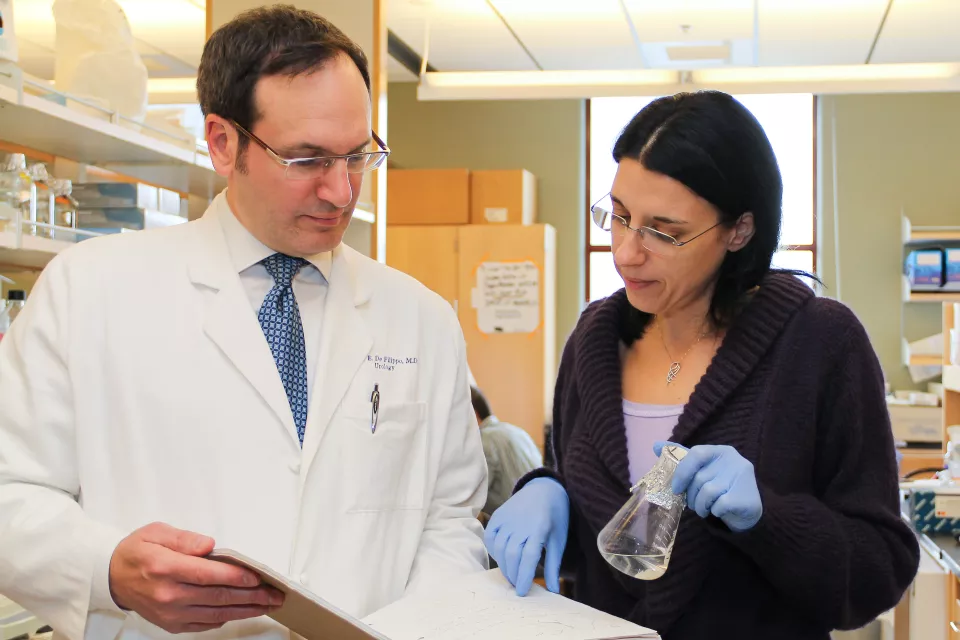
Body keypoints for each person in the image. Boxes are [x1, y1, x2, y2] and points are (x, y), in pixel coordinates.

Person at [0, 6, 487, 640]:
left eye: (358, 157)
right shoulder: (88, 289)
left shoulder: (419, 317)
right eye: (307, 160)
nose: (341, 192)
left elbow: (449, 518)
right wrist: (107, 569)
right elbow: (10, 492)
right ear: (224, 143)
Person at [484, 91, 919, 640]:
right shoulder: (592, 344)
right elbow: (606, 552)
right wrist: (548, 491)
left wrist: (768, 520)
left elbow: (878, 571)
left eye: (663, 231)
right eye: (617, 216)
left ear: (739, 230)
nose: (625, 252)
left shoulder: (820, 344)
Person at [470, 386, 543, 516]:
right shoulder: (518, 432)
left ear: (473, 414)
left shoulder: (482, 441)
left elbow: (469, 501)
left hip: (517, 526)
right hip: (541, 520)